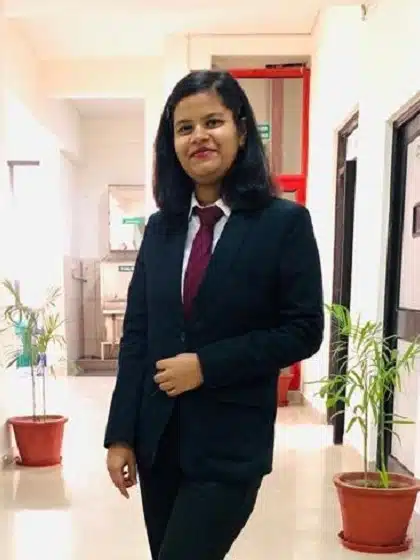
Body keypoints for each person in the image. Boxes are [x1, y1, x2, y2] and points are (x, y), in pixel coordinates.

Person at [104, 69, 324, 560]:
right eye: (185, 128)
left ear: (240, 131)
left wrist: (206, 365)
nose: (199, 136)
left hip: (229, 446)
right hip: (159, 442)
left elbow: (304, 330)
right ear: (172, 144)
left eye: (213, 122)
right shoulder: (160, 230)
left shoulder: (283, 223)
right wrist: (120, 435)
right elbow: (137, 336)